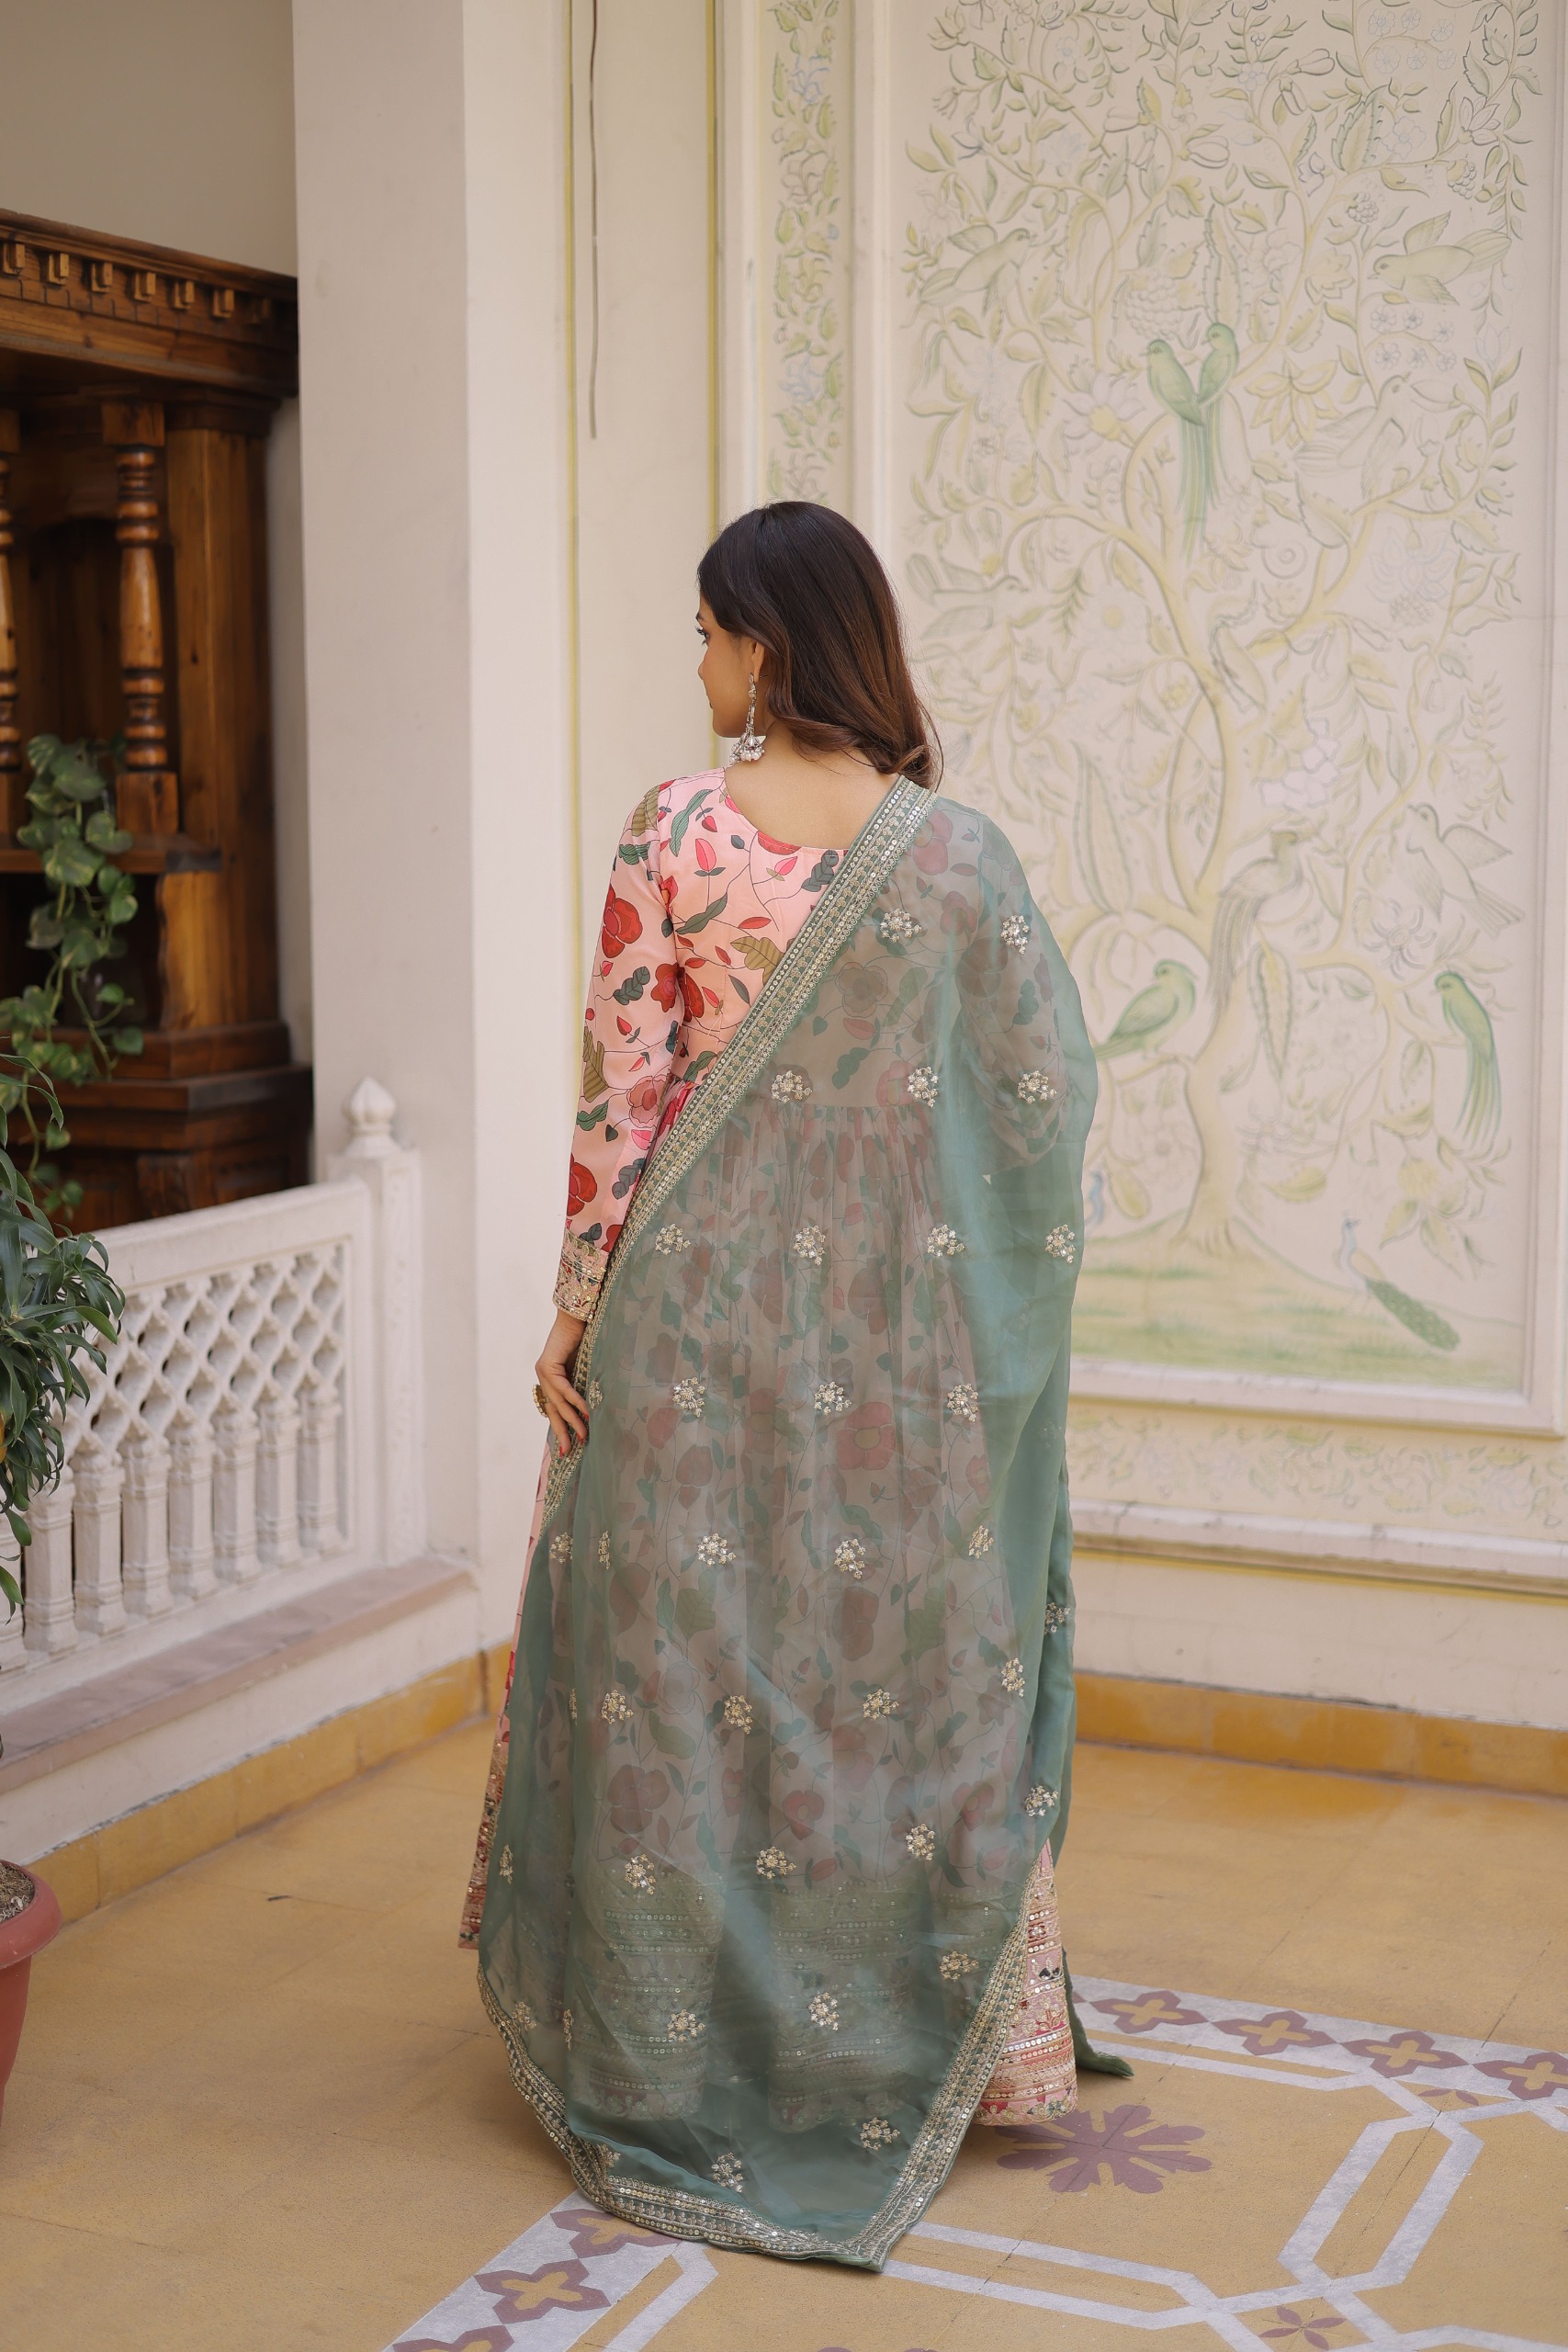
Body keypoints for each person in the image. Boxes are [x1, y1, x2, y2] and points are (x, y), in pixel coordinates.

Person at [461, 502, 1119, 2269]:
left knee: (681, 1673)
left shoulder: (677, 828)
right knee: (886, 1675)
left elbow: (623, 1099)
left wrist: (573, 1314)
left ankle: (665, 2048)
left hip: (691, 1327)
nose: (696, 663)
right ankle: (936, 2045)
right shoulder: (956, 856)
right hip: (894, 1352)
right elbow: (1042, 1107)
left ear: (766, 642)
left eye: (706, 631)